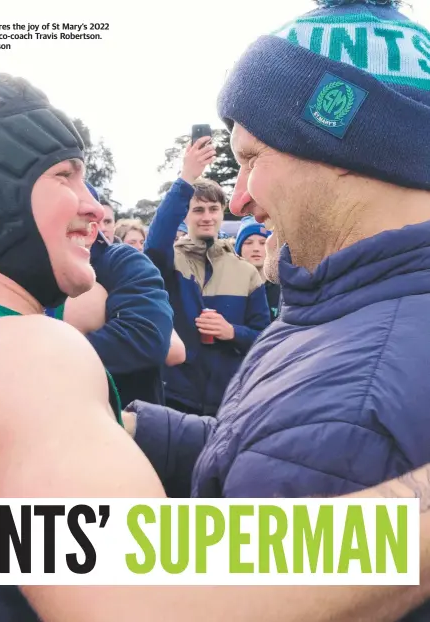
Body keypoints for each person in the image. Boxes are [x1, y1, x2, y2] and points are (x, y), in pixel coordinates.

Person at [126, 0, 430, 617]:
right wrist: (134, 429)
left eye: (251, 159)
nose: (238, 201)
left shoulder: (353, 410)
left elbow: (219, 592)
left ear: (344, 151)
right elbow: (271, 450)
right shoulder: (338, 304)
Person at [145, 148, 270, 416]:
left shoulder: (246, 271)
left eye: (213, 209)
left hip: (228, 400)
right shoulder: (170, 262)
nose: (206, 216)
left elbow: (264, 338)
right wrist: (186, 177)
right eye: (198, 209)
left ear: (222, 213)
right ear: (185, 215)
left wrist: (232, 332)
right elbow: (155, 244)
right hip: (173, 396)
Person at [48, 198, 178, 407]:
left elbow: (148, 337)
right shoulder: (31, 270)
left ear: (89, 232)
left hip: (124, 418)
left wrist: (47, 358)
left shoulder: (124, 260)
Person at [235, 216, 281, 320]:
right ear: (239, 248)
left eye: (262, 243)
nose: (256, 249)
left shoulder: (284, 289)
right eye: (248, 243)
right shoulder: (229, 286)